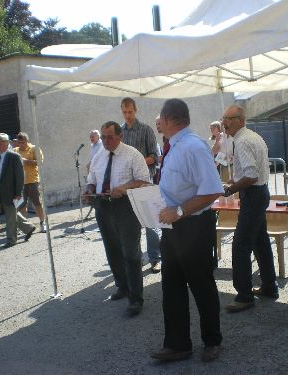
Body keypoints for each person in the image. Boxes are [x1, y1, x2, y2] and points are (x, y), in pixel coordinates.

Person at [151, 99, 223, 363]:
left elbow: (213, 189)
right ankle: (178, 344)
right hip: (173, 227)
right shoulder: (174, 146)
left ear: (170, 120)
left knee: (201, 285)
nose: (158, 122)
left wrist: (179, 211)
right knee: (172, 287)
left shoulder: (193, 146)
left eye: (160, 118)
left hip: (192, 226)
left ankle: (212, 341)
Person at [85, 121, 150, 317]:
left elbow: (144, 180)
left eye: (109, 137)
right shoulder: (99, 155)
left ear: (120, 136)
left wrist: (124, 188)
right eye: (103, 137)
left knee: (130, 252)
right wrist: (89, 191)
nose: (105, 141)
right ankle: (122, 286)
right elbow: (92, 179)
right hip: (103, 207)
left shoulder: (133, 154)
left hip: (126, 207)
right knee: (112, 249)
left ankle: (136, 299)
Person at [221, 105, 278, 313]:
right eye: (224, 118)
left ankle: (244, 295)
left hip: (253, 194)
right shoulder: (251, 136)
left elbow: (251, 176)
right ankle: (270, 286)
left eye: (229, 118)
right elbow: (252, 173)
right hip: (259, 193)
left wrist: (231, 189)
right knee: (260, 241)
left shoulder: (243, 140)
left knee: (241, 245)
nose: (225, 122)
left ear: (240, 120)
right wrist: (235, 183)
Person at [120, 97, 161, 273]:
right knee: (129, 225)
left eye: (130, 111)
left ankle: (155, 258)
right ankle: (133, 260)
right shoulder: (119, 132)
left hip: (144, 182)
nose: (127, 115)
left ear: (135, 110)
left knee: (150, 223)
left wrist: (136, 162)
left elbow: (155, 157)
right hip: (126, 185)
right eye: (124, 112)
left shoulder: (146, 130)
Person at [0, 133, 36, 248]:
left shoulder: (14, 156)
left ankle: (11, 240)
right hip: (2, 191)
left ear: (7, 144)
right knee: (12, 214)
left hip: (12, 192)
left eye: (0, 143)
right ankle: (28, 227)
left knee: (10, 217)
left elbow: (20, 176)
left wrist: (18, 193)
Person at [13, 132, 46, 233]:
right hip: (20, 182)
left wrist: (25, 161)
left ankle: (42, 223)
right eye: (19, 143)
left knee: (37, 203)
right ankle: (24, 226)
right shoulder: (15, 150)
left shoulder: (34, 148)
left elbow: (39, 162)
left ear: (27, 141)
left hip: (33, 181)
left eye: (23, 142)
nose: (21, 145)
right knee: (21, 205)